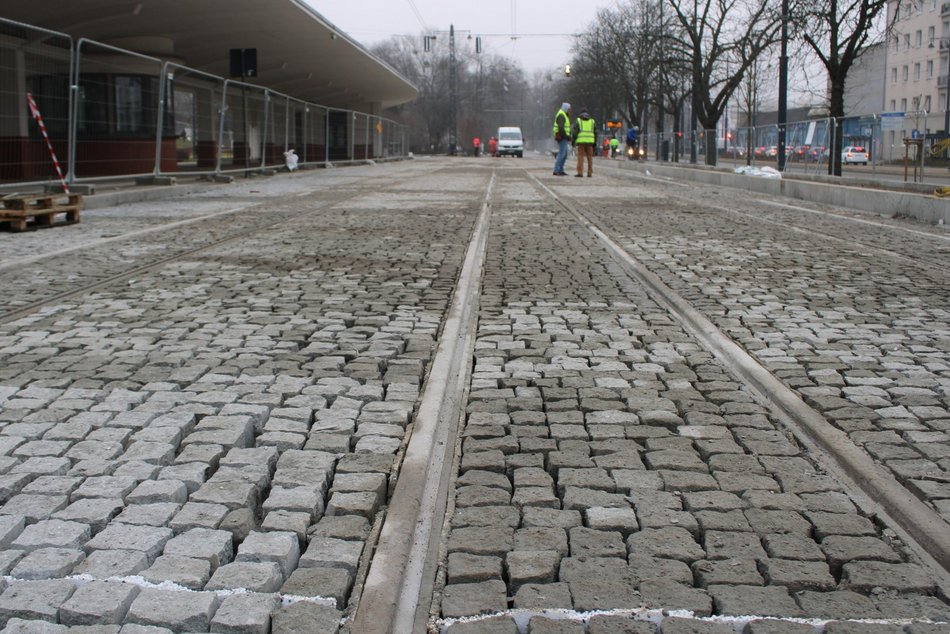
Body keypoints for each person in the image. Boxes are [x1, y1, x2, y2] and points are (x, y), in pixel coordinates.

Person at [572, 106, 596, 177]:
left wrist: (573, 141)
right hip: (590, 142)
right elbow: (595, 132)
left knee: (580, 157)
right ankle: (589, 173)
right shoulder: (592, 121)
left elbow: (575, 132)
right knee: (590, 158)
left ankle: (580, 172)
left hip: (581, 142)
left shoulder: (578, 121)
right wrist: (595, 142)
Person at [552, 102, 571, 175]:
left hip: (563, 137)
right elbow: (561, 127)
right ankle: (557, 170)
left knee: (564, 154)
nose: (570, 111)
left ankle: (560, 169)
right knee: (562, 154)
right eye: (569, 109)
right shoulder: (561, 115)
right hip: (562, 137)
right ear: (566, 108)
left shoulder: (563, 114)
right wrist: (566, 136)